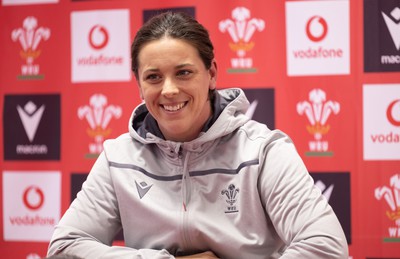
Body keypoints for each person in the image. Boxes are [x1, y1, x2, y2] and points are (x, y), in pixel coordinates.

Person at [47, 11, 348, 258]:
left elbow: (325, 247)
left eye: (184, 72)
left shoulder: (263, 150)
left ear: (212, 74)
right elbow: (63, 248)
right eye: (153, 77)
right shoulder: (118, 157)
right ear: (139, 85)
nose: (169, 90)